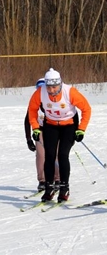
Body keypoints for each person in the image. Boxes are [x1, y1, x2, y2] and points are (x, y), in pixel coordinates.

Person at [28, 68, 92, 203]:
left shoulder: (70, 92)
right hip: (51, 125)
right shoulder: (40, 92)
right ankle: (49, 188)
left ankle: (64, 188)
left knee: (62, 154)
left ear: (60, 84)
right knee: (49, 155)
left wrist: (81, 129)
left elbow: (86, 109)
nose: (51, 90)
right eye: (49, 87)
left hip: (69, 125)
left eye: (54, 87)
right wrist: (35, 128)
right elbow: (32, 111)